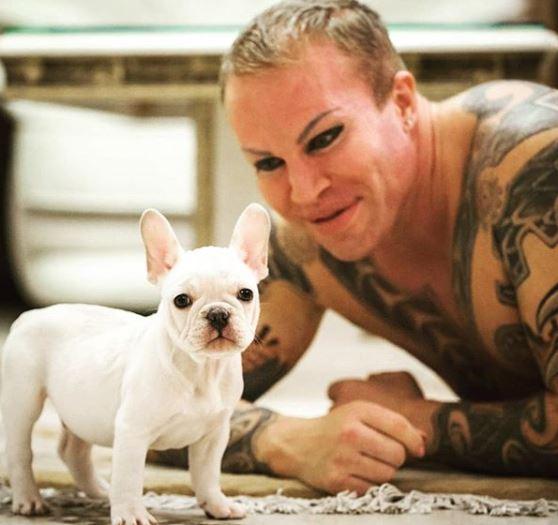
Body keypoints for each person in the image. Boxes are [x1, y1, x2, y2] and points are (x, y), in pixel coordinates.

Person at [149, 0, 558, 493]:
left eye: (325, 138)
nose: (304, 193)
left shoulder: (537, 170)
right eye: (268, 163)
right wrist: (286, 440)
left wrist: (417, 421)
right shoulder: (303, 246)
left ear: (402, 103)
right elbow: (147, 398)